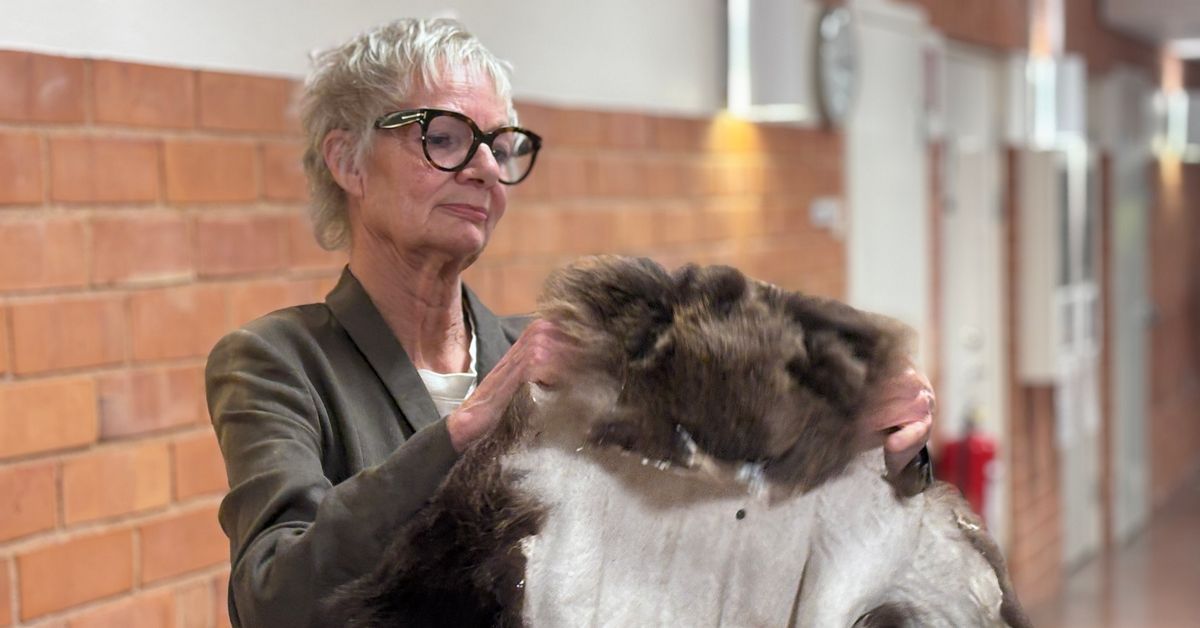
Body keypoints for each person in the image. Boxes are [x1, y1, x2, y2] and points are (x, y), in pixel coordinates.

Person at [205, 17, 935, 628]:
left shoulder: (553, 358)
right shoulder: (280, 361)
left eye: (500, 146)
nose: (486, 169)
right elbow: (274, 598)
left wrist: (876, 452)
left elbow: (720, 515)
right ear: (348, 162)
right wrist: (466, 427)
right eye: (445, 137)